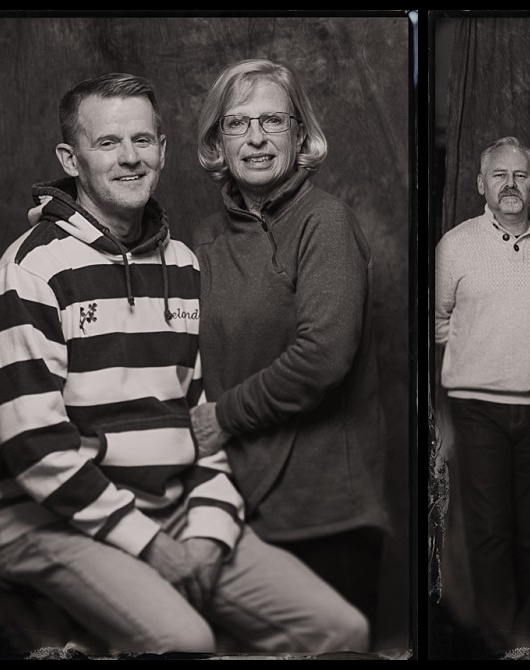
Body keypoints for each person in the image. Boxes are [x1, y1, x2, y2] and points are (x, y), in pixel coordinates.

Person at [0, 72, 368, 655]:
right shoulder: (31, 271)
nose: (130, 158)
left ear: (162, 147)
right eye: (108, 142)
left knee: (341, 632)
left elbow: (197, 417)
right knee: (184, 640)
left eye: (143, 140)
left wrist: (210, 530)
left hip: (173, 510)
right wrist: (152, 545)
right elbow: (35, 447)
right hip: (49, 521)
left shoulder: (184, 265)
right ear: (71, 157)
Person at [187, 59, 389, 640]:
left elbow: (323, 355)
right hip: (232, 507)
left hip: (323, 513)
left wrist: (222, 418)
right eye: (237, 123)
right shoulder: (202, 238)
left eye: (273, 121)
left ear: (300, 135)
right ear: (216, 142)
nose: (255, 138)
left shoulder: (323, 222)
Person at [434, 136, 530, 647]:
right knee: (490, 530)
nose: (511, 185)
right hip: (477, 408)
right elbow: (440, 320)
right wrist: (478, 348)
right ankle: (504, 645)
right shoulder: (454, 244)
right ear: (481, 184)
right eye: (500, 175)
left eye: (520, 175)